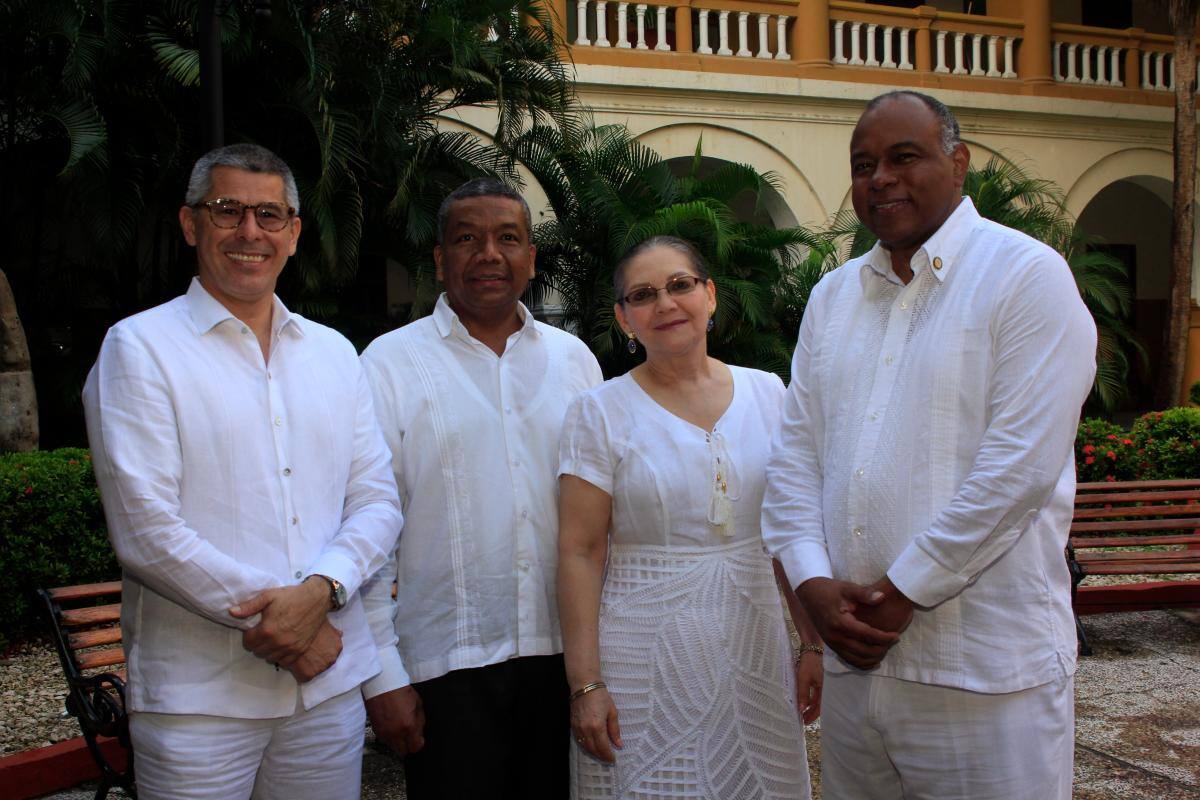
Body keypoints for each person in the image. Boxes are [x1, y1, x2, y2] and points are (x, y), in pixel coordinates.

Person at [762, 90, 1097, 800]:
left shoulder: (1026, 277)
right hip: (858, 671)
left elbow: (1019, 471)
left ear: (959, 161)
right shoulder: (833, 297)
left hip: (983, 672)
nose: (879, 177)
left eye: (903, 157)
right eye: (862, 164)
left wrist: (906, 589)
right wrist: (811, 582)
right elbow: (796, 457)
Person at [82, 143, 404, 800]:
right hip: (199, 701)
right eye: (227, 211)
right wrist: (285, 627)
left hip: (327, 691)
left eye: (268, 215)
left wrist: (322, 594)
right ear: (190, 223)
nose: (249, 232)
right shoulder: (140, 349)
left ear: (294, 234)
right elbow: (147, 532)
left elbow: (377, 500)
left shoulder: (334, 354)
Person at [359, 177, 603, 799]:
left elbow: (602, 518)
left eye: (507, 238)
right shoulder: (386, 365)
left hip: (563, 657)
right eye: (467, 239)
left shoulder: (576, 361)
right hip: (446, 662)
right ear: (440, 260)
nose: (488, 254)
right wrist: (383, 674)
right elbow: (366, 525)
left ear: (531, 257)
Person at [558, 235, 820, 799]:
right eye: (644, 294)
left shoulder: (770, 394)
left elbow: (789, 530)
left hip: (755, 651)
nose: (667, 304)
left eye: (680, 285)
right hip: (643, 663)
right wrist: (586, 685)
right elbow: (580, 552)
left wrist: (812, 643)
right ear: (625, 319)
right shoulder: (597, 412)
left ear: (710, 295)